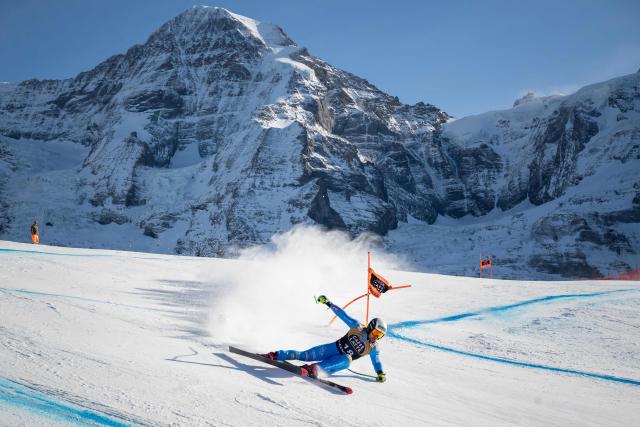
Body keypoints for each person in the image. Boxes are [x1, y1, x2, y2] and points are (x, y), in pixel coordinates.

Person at [263, 295, 387, 382]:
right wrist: (328, 303)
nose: (376, 337)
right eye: (376, 332)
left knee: (347, 359)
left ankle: (315, 368)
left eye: (380, 335)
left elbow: (376, 361)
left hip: (336, 363)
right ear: (371, 327)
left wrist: (380, 373)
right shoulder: (357, 327)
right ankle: (276, 355)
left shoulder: (373, 347)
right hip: (331, 349)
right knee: (303, 355)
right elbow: (342, 315)